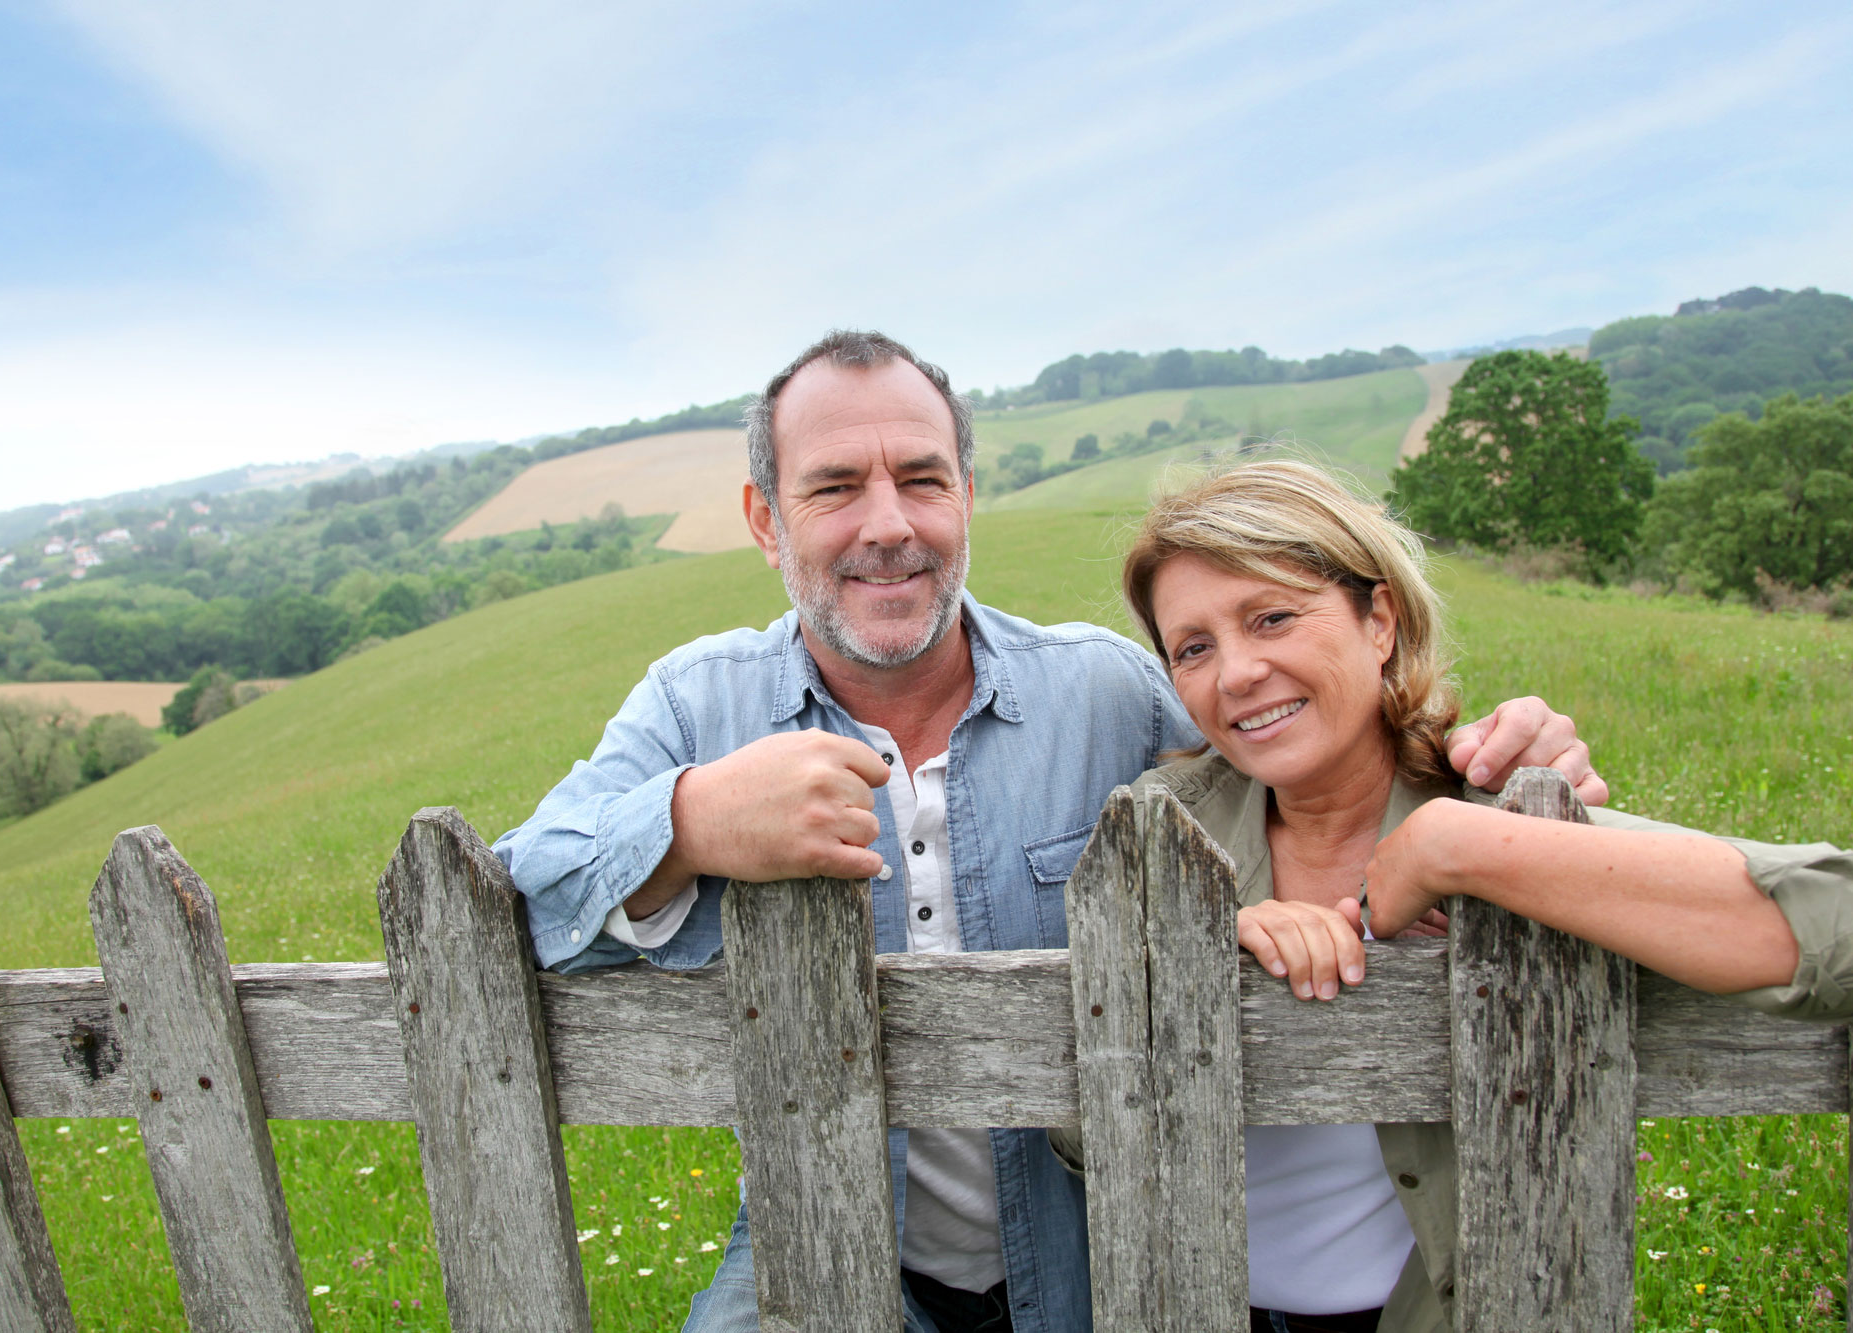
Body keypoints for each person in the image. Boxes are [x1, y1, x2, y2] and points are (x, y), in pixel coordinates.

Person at [494, 331, 1598, 1333]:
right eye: (833, 487)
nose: (888, 524)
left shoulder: (1106, 691)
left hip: (1091, 1248)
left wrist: (1497, 760)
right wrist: (690, 821)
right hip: (822, 1236)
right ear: (763, 519)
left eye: (921, 479)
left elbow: (1298, 742)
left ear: (966, 496)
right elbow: (516, 901)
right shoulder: (697, 704)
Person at [1096, 458, 1853, 1333]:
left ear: (1377, 618)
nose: (1235, 673)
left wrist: (1461, 848)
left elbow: (1840, 922)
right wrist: (1205, 953)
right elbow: (1084, 1138)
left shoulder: (1489, 801)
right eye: (1193, 647)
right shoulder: (1157, 838)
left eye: (1272, 617)